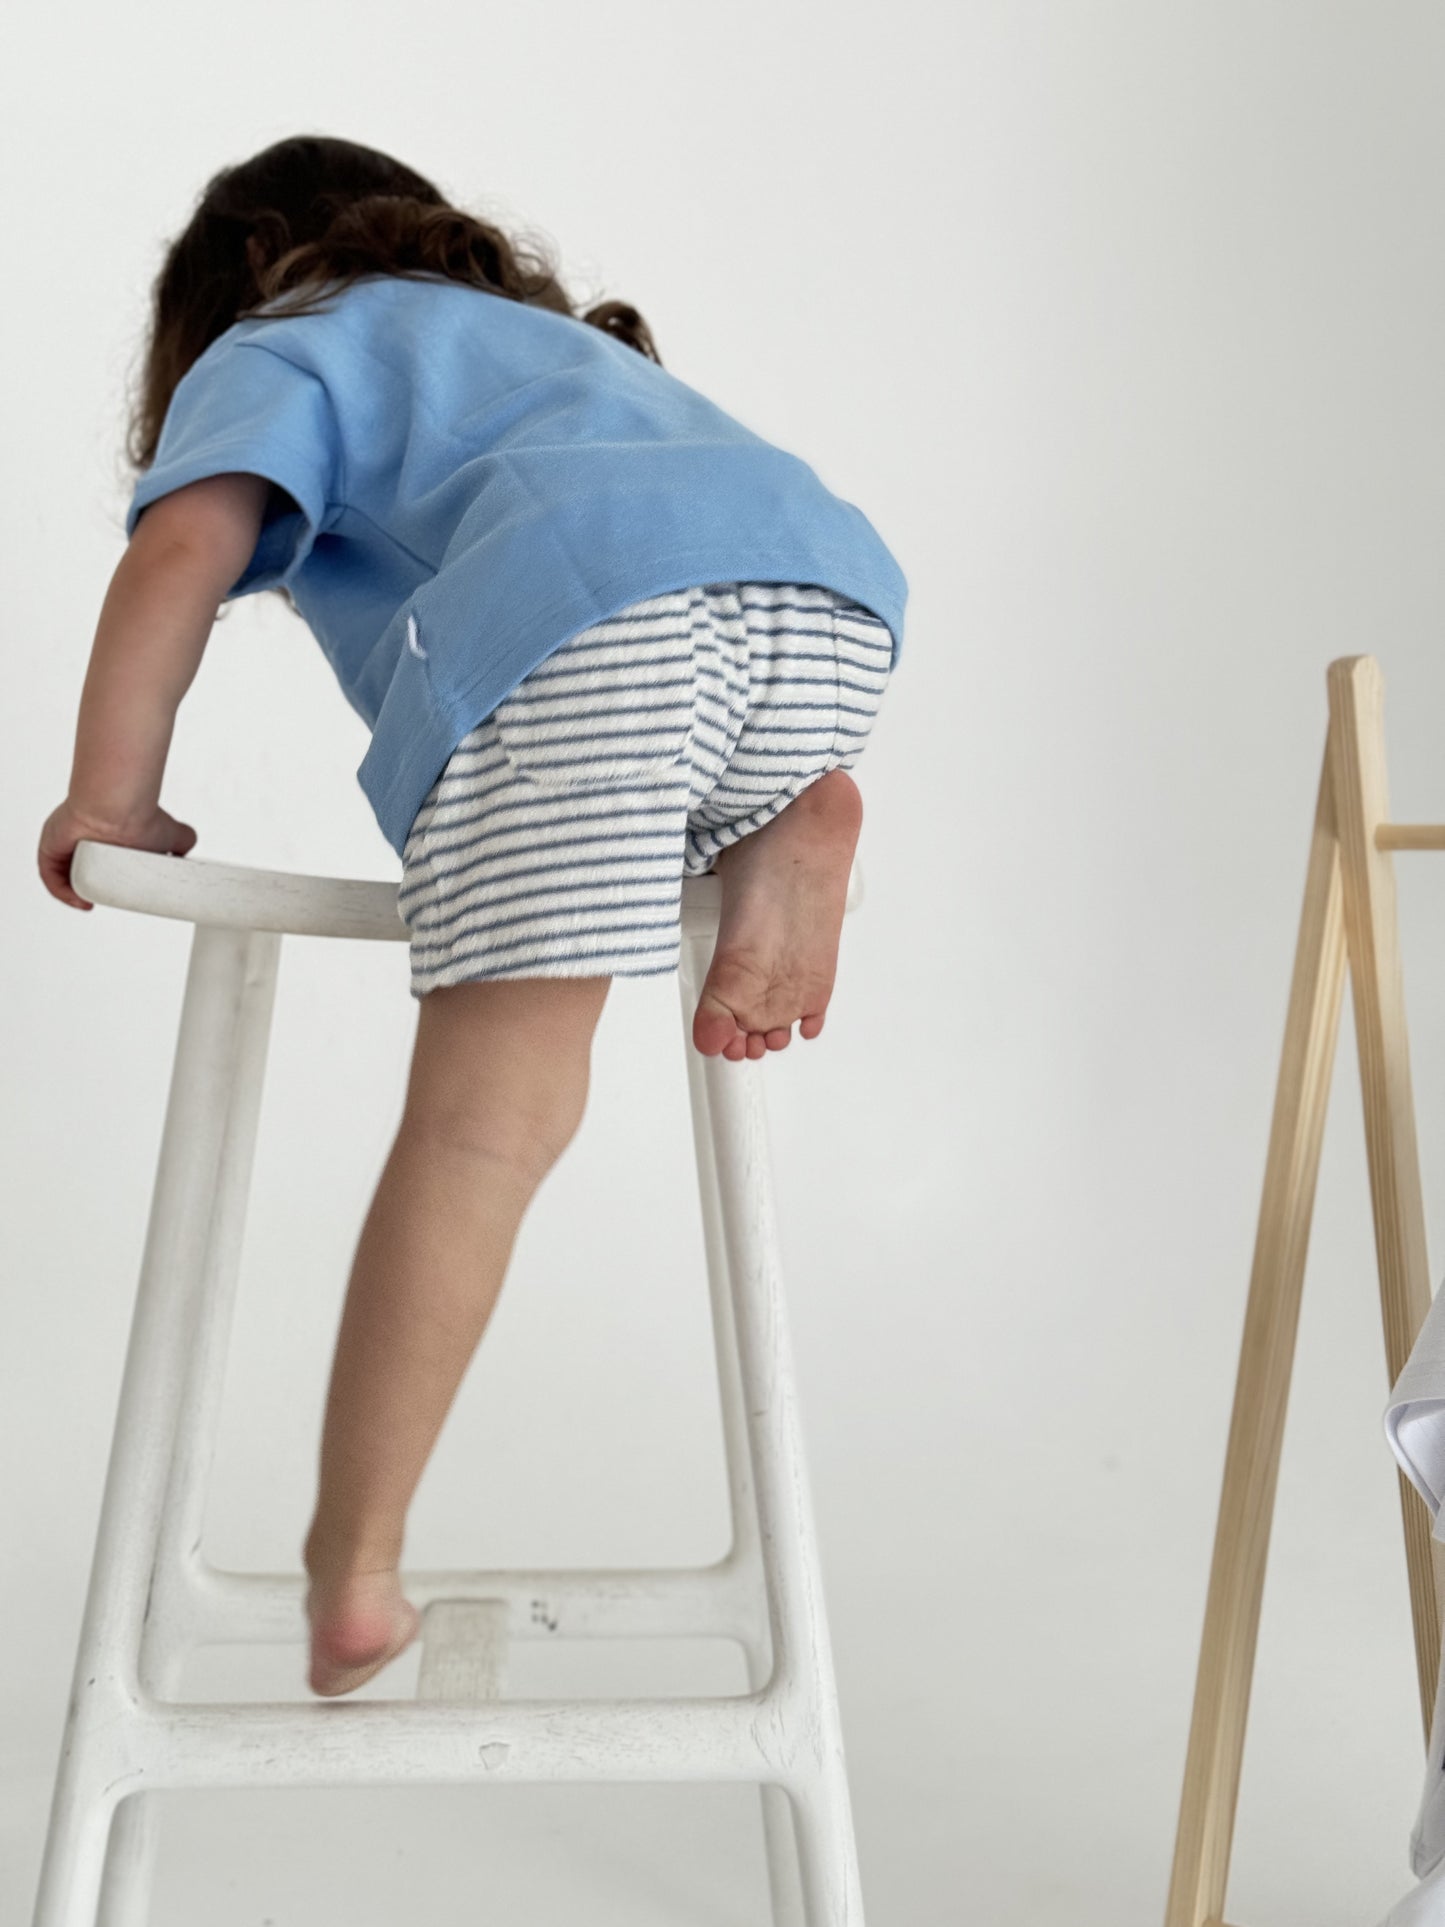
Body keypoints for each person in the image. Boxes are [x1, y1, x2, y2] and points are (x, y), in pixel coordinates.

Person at [36, 134, 907, 1697]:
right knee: (676, 766)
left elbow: (186, 543)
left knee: (481, 1129)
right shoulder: (553, 353)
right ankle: (794, 798)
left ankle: (354, 1566)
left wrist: (111, 796)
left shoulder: (283, 339)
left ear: (235, 282)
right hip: (824, 598)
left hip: (590, 626)